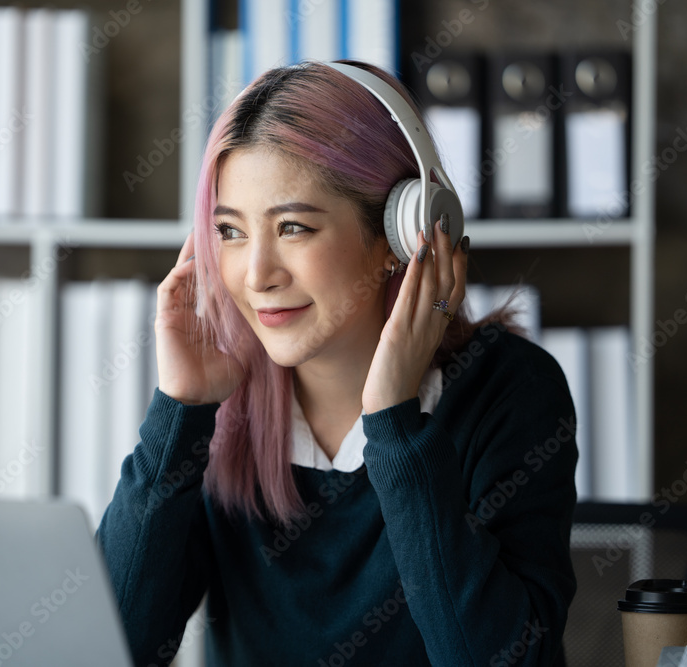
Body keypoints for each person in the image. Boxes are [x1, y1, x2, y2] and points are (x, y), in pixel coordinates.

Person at [97, 60, 578, 666]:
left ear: (402, 235)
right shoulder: (219, 399)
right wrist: (179, 414)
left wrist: (395, 426)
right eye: (231, 232)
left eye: (293, 227)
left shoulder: (511, 391)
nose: (256, 276)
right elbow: (114, 651)